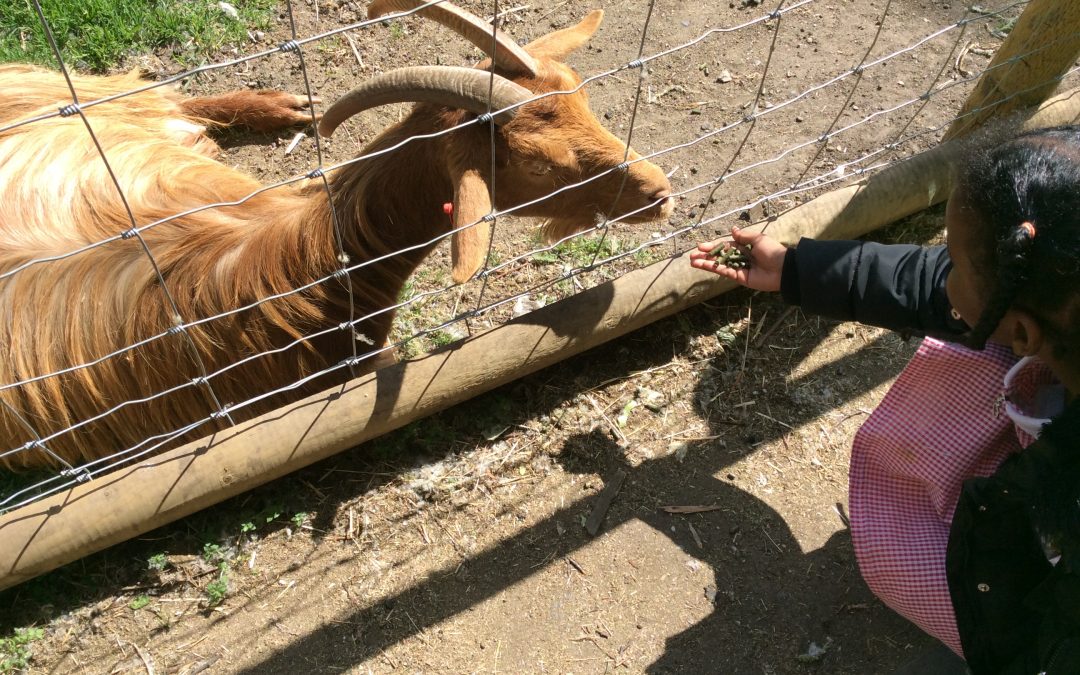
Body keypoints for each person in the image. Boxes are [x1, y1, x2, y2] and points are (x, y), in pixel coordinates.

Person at [690, 125, 1080, 674]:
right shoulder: (1058, 301)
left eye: (958, 261)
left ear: (1022, 332)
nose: (944, 268)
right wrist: (799, 269)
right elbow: (933, 283)